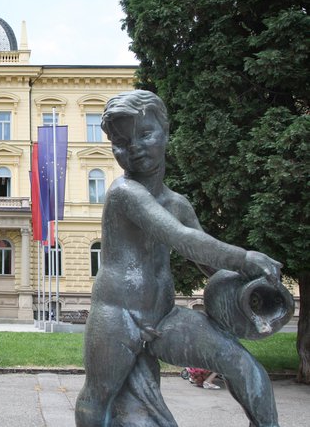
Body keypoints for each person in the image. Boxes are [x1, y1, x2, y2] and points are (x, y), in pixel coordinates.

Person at [75, 90, 282, 426]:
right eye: (121, 141)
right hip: (117, 315)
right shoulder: (123, 193)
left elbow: (209, 265)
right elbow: (182, 239)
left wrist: (254, 291)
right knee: (99, 395)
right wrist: (245, 258)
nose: (134, 148)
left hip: (164, 315)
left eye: (145, 134)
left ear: (166, 132)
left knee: (242, 364)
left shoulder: (178, 203)